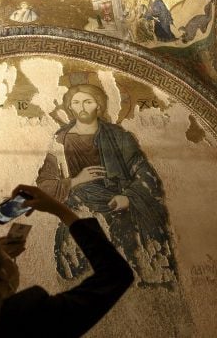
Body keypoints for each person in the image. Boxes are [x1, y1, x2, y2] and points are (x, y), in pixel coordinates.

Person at [0, 184, 134, 338]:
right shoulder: (28, 317)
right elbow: (116, 275)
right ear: (0, 273)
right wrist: (59, 209)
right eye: (0, 255)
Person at [36, 83, 177, 288]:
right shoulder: (60, 140)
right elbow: (44, 186)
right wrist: (76, 180)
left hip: (119, 202)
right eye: (76, 103)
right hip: (80, 205)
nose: (81, 107)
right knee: (75, 256)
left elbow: (145, 173)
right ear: (70, 108)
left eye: (88, 102)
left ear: (99, 106)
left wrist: (128, 198)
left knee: (139, 248)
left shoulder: (119, 137)